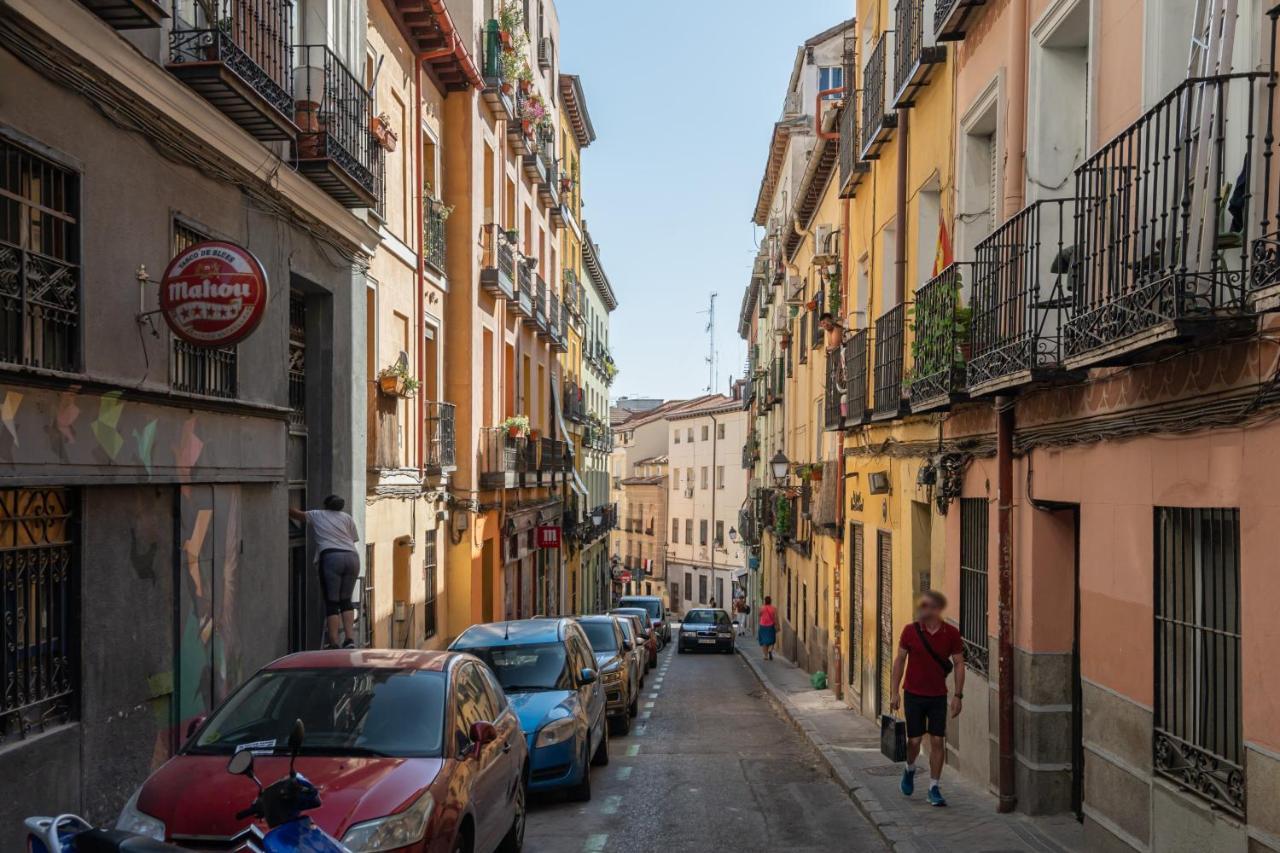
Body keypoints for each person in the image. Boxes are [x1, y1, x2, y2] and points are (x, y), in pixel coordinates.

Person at [889, 590, 965, 807]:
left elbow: (959, 663)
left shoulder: (951, 633)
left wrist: (958, 695)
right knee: (913, 741)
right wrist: (894, 693)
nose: (924, 610)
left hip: (938, 696)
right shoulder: (910, 631)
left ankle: (933, 787)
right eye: (922, 606)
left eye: (929, 607)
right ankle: (909, 768)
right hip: (913, 694)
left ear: (937, 610)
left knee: (937, 740)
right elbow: (899, 661)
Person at [289, 495, 361, 649]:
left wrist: (285, 503)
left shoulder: (317, 514)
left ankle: (334, 642)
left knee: (332, 602)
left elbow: (296, 514)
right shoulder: (347, 518)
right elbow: (354, 539)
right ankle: (349, 639)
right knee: (346, 600)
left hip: (331, 557)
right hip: (352, 558)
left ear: (325, 505)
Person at [757, 595, 778, 660]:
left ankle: (765, 656)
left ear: (765, 601)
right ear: (770, 601)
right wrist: (777, 625)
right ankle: (770, 650)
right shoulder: (774, 608)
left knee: (764, 642)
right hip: (771, 626)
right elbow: (776, 618)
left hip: (763, 626)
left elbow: (759, 615)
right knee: (772, 640)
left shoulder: (762, 608)